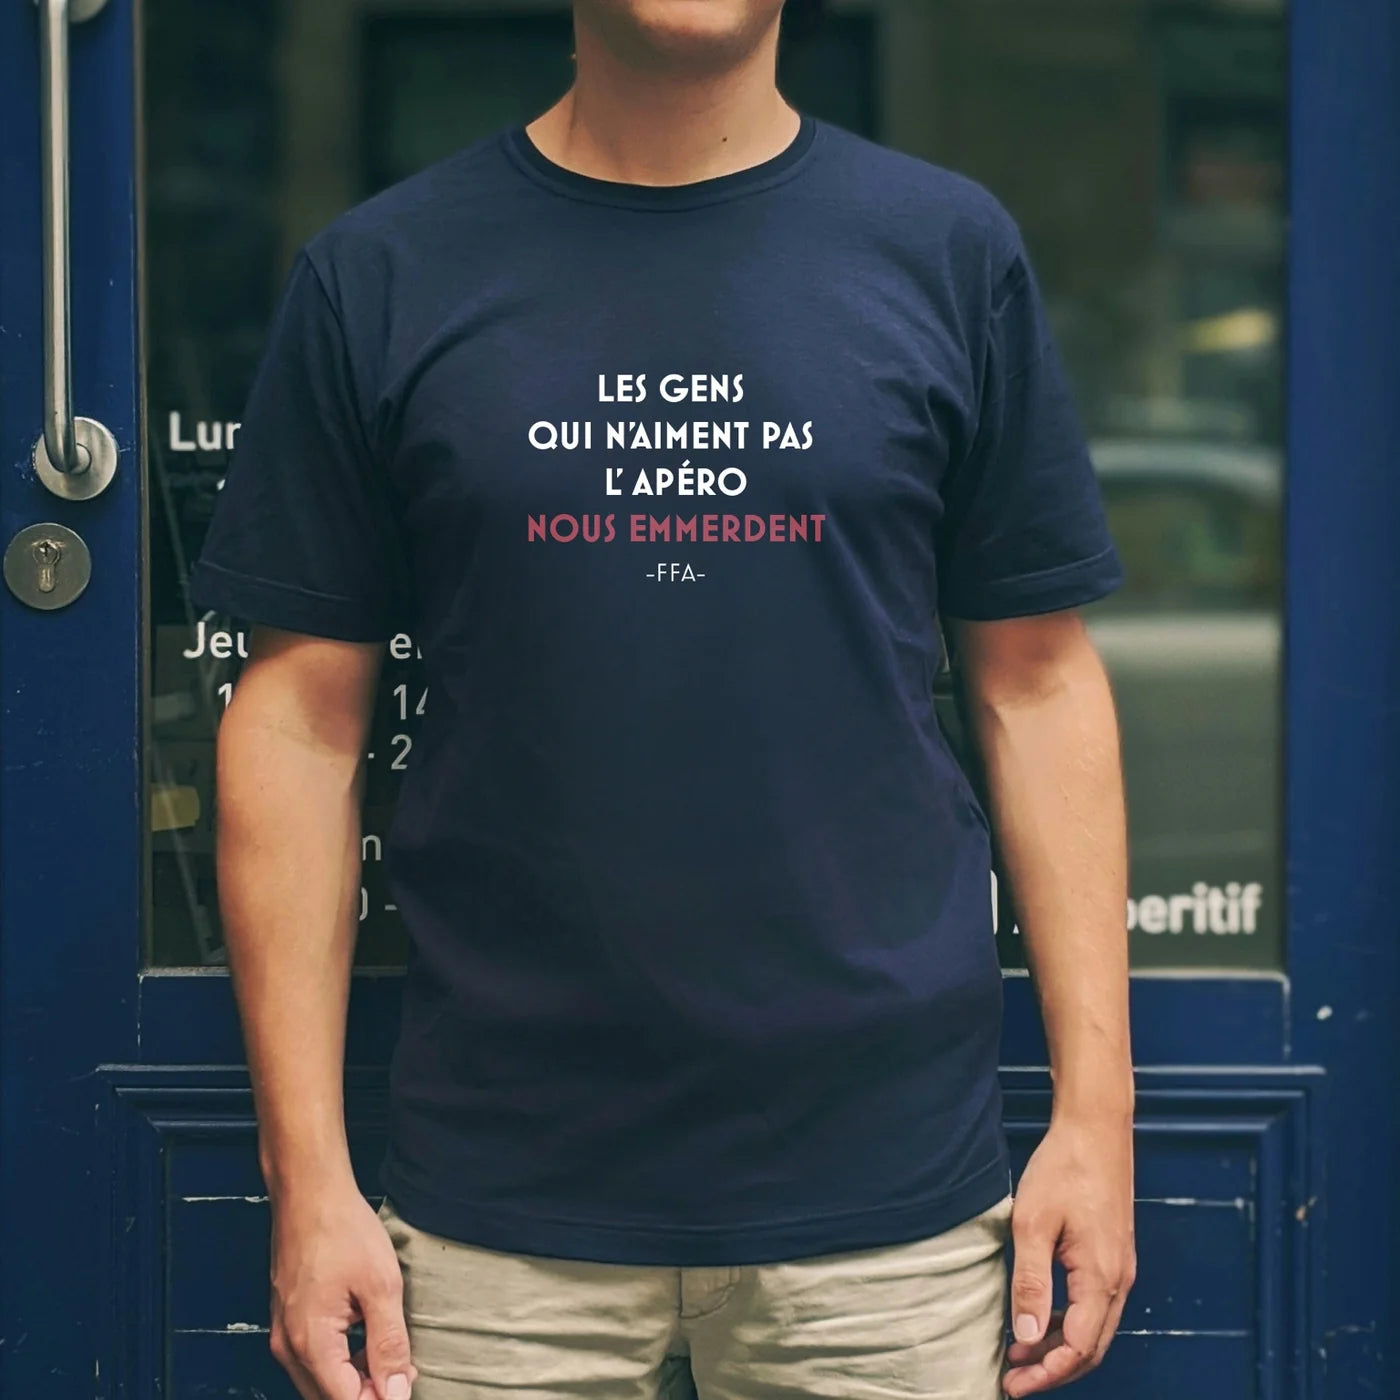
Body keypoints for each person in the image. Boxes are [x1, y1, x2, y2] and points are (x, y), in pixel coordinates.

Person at [188, 1, 1137, 1396]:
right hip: (498, 1206)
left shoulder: (945, 252)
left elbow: (1041, 686)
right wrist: (307, 1178)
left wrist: (1096, 1120)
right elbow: (296, 723)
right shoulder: (383, 273)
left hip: (883, 1197)